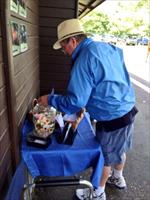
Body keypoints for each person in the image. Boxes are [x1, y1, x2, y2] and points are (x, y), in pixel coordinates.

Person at [38, 18, 138, 200]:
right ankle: (118, 178)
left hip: (111, 116)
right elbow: (112, 78)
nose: (64, 51)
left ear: (73, 41)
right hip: (128, 107)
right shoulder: (107, 47)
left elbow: (74, 101)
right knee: (119, 148)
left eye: (63, 47)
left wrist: (49, 99)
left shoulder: (83, 60)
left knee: (104, 157)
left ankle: (98, 193)